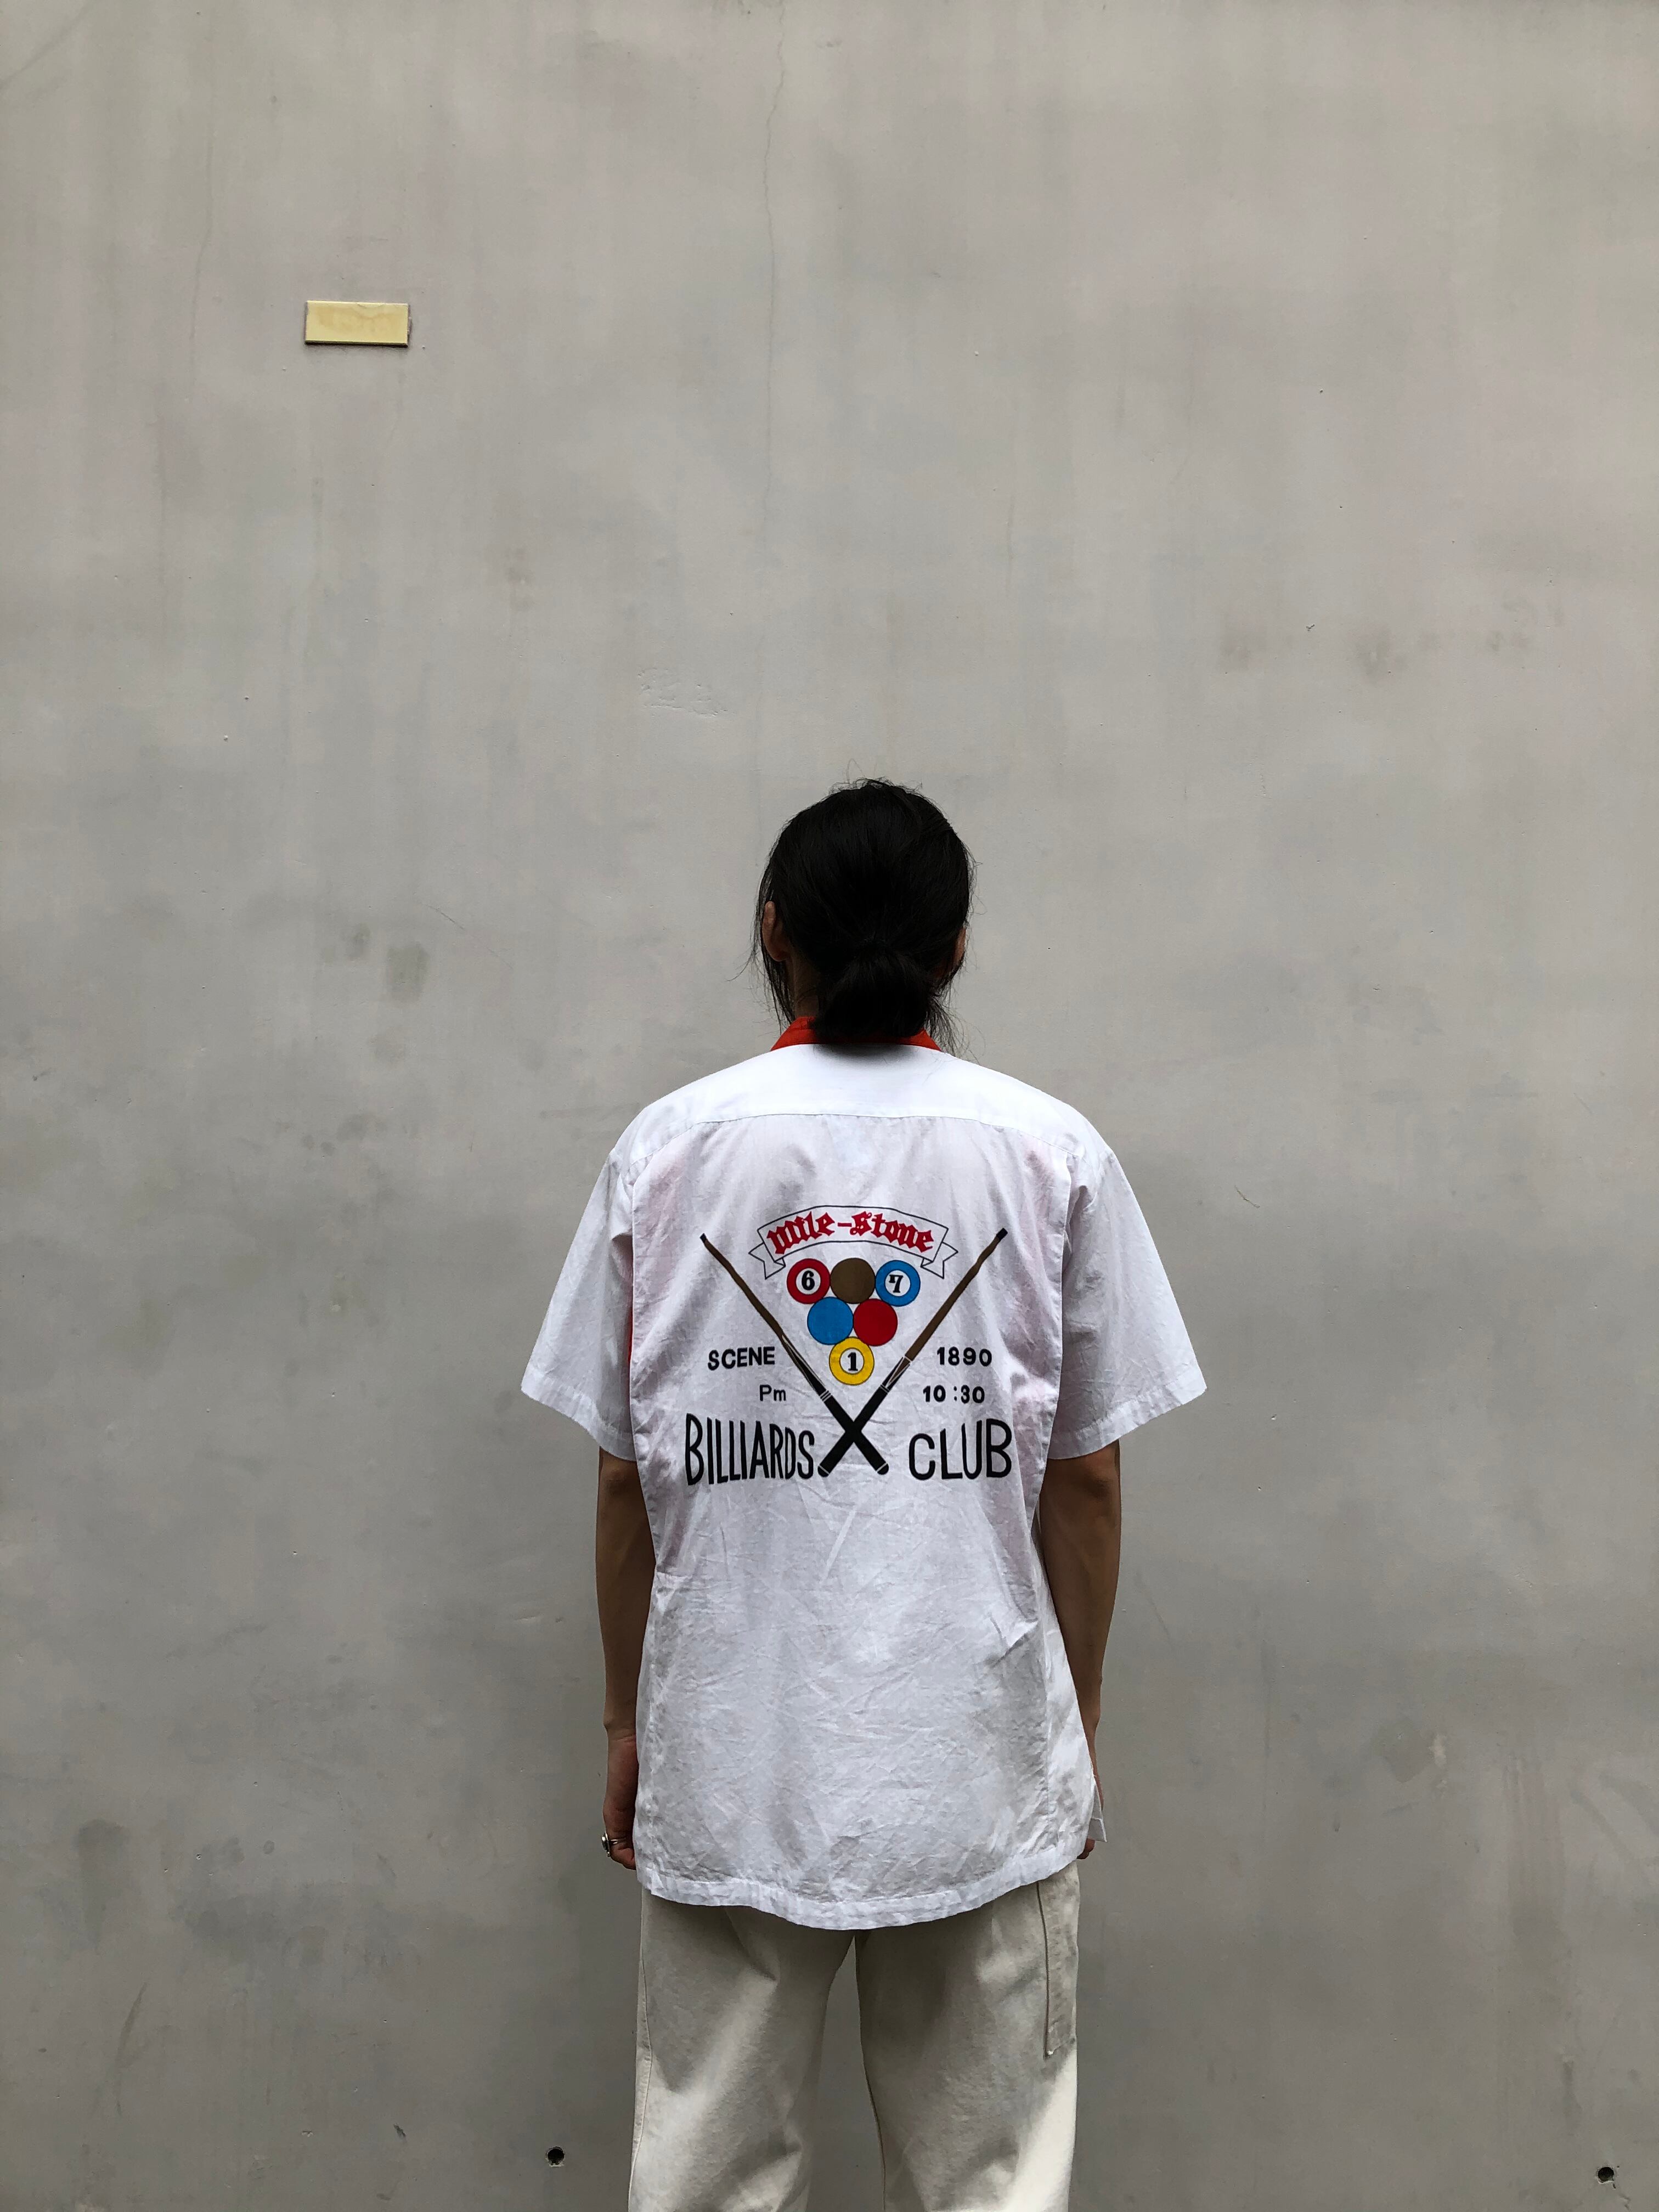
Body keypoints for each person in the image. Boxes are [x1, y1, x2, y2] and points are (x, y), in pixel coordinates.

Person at [521, 779, 1204, 2212]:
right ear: (955, 950)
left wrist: (627, 1720)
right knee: (991, 2180)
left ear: (775, 931)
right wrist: (1074, 1714)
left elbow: (626, 1480)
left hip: (732, 1742)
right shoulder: (1048, 1151)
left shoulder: (669, 1150)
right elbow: (1084, 1479)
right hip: (975, 1741)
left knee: (708, 2175)